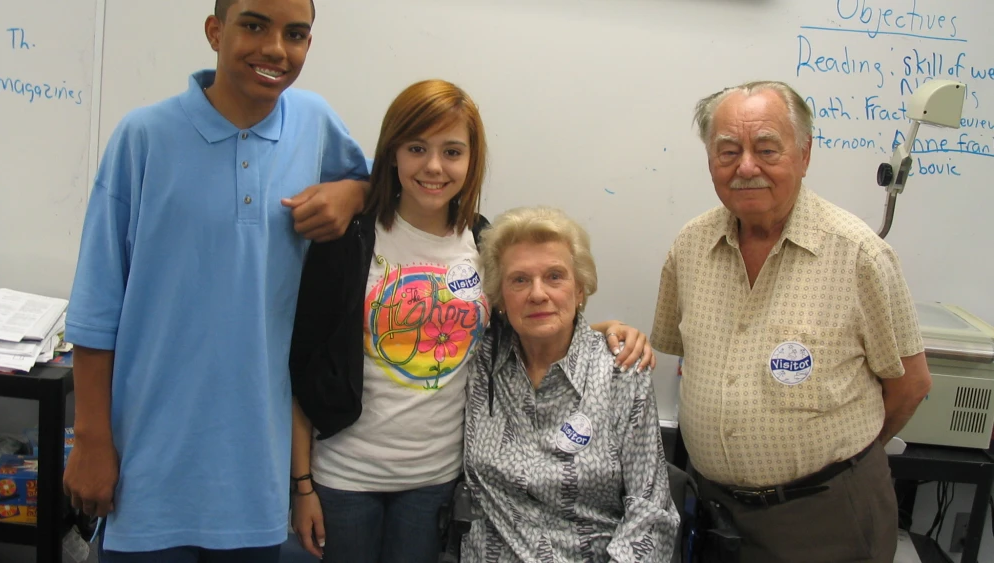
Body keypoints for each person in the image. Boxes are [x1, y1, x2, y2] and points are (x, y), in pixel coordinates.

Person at [288, 82, 655, 562]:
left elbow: (529, 321)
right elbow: (303, 362)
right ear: (392, 152)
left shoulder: (483, 244)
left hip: (435, 482)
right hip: (343, 478)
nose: (434, 166)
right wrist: (302, 484)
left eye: (452, 151)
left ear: (471, 159)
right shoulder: (351, 236)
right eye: (417, 148)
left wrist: (604, 331)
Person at [62, 0, 370, 559]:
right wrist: (91, 439)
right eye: (254, 25)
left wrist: (353, 192)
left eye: (296, 34)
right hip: (147, 466)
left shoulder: (315, 123)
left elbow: (376, 190)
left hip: (256, 476)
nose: (276, 48)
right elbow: (96, 305)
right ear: (214, 31)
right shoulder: (144, 137)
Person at [650, 80, 932, 563]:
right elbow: (684, 359)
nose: (746, 167)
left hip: (823, 520)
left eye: (766, 149)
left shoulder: (859, 254)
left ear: (804, 155)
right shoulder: (690, 246)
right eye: (727, 151)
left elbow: (910, 385)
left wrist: (844, 465)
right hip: (712, 511)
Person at [459, 206, 680, 562]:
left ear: (580, 290)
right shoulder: (477, 363)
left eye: (554, 277)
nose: (537, 294)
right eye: (519, 280)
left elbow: (651, 513)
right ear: (500, 299)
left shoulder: (621, 373)